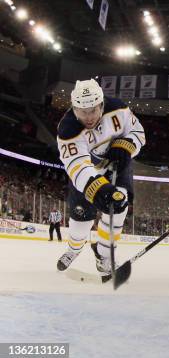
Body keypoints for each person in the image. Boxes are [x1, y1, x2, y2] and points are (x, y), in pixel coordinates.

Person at [55, 79, 146, 276]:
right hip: (89, 174)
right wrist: (97, 188)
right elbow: (76, 164)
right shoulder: (68, 128)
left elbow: (138, 132)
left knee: (119, 204)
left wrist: (127, 144)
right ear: (74, 108)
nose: (88, 117)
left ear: (101, 104)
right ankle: (74, 248)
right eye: (82, 111)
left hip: (117, 165)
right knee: (81, 222)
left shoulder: (119, 109)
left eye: (93, 110)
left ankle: (104, 254)